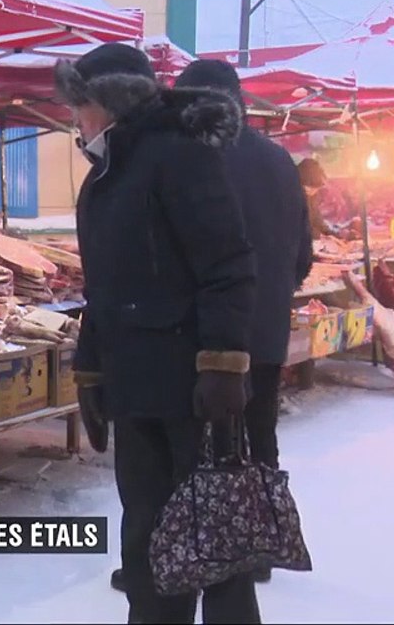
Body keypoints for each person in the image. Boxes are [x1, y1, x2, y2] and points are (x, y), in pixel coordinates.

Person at [60, 43, 260, 624]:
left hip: (190, 390)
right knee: (147, 533)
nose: (77, 118)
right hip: (135, 387)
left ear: (112, 103)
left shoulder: (179, 157)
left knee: (213, 535)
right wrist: (91, 368)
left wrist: (223, 365)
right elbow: (104, 288)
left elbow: (229, 265)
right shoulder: (107, 175)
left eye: (83, 105)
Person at [174, 59, 313, 584]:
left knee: (201, 444)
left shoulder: (193, 157)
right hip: (267, 324)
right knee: (260, 432)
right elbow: (304, 252)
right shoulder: (280, 161)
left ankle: (205, 551)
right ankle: (259, 547)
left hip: (209, 330)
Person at [297, 157, 337, 238]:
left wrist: (330, 234)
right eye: (310, 186)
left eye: (316, 188)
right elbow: (297, 227)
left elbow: (316, 218)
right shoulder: (290, 197)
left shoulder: (313, 196)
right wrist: (319, 235)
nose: (313, 191)